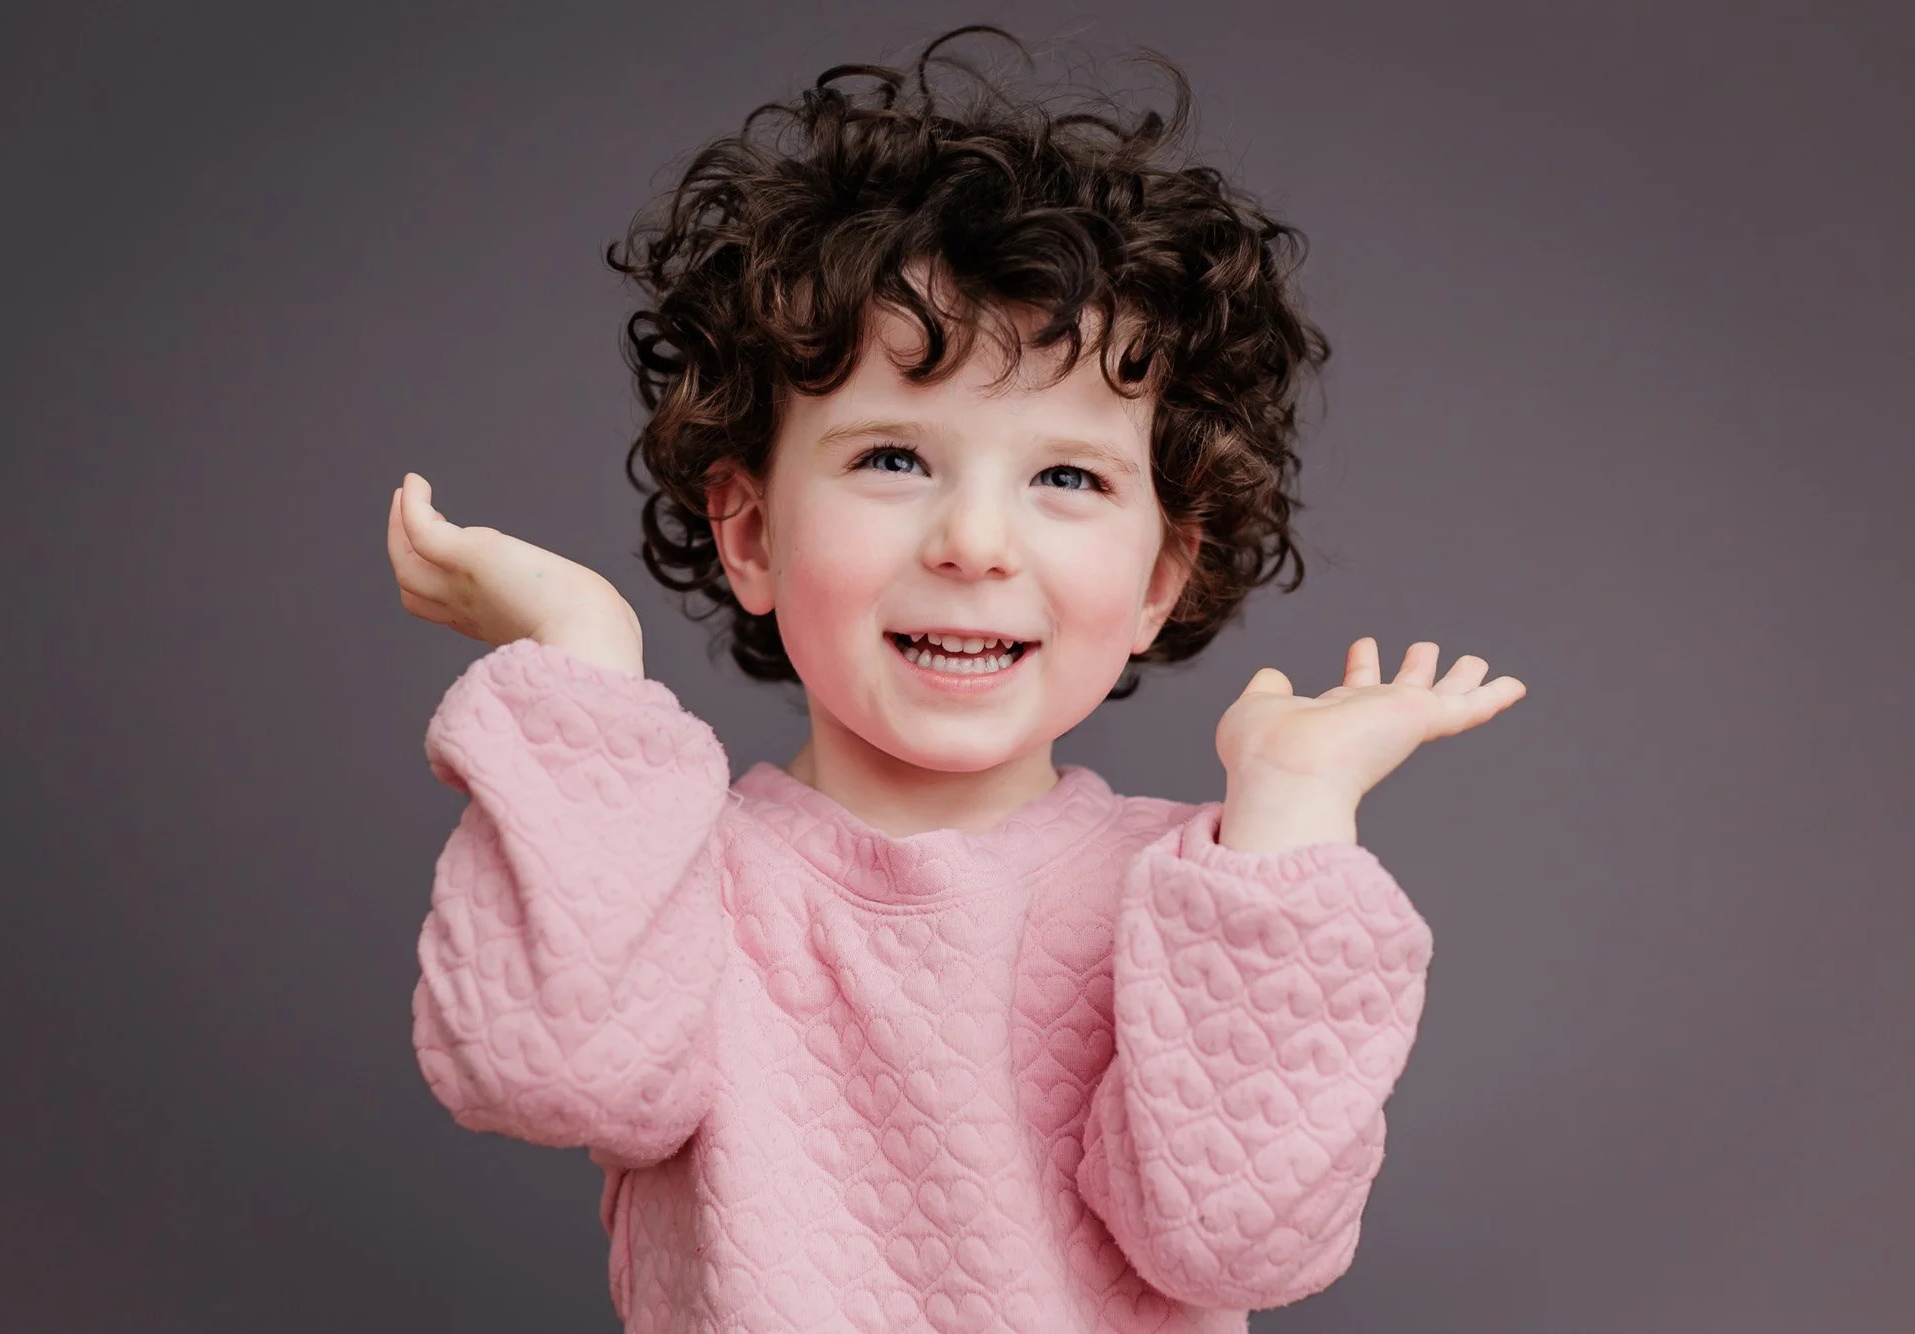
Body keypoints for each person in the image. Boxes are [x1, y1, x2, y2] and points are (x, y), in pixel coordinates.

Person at [384, 25, 1525, 1332]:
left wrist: (1292, 822)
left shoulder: (1192, 902)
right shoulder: (672, 876)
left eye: (1066, 477)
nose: (975, 543)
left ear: (1162, 574)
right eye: (893, 459)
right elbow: (549, 1070)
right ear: (750, 529)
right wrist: (584, 667)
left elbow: (1237, 1243)